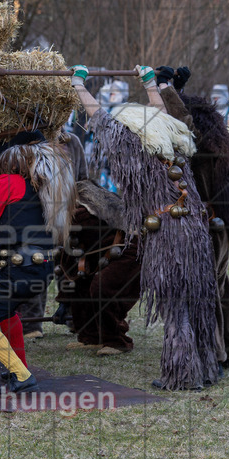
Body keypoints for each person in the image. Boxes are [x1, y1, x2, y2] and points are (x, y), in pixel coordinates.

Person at [71, 64, 219, 390]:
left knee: (175, 307)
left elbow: (99, 119)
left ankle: (182, 375)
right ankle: (207, 368)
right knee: (198, 300)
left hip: (167, 233)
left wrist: (79, 85)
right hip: (195, 228)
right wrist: (151, 84)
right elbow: (161, 113)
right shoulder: (173, 143)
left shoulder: (129, 148)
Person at [0, 131, 76, 393]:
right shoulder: (41, 187)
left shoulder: (10, 181)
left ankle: (21, 375)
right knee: (6, 314)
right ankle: (18, 368)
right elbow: (21, 235)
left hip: (22, 270)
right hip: (37, 269)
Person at [158, 66, 229, 371]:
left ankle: (214, 356)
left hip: (206, 225)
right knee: (220, 286)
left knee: (206, 289)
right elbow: (186, 121)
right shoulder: (216, 139)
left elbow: (181, 124)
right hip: (218, 223)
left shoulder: (199, 145)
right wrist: (174, 89)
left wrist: (164, 89)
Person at [56, 180, 141, 355]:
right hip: (100, 254)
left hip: (128, 251)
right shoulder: (75, 208)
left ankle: (117, 341)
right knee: (80, 285)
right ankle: (92, 337)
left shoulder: (80, 212)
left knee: (103, 287)